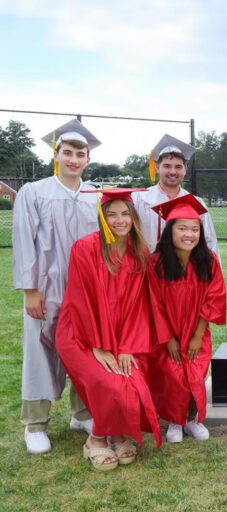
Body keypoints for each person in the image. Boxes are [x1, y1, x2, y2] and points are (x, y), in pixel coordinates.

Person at [56, 188, 162, 470]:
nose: (119, 220)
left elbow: (139, 305)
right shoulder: (85, 247)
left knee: (132, 375)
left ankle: (116, 433)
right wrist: (99, 346)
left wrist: (126, 346)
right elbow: (80, 301)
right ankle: (96, 439)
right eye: (112, 214)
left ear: (133, 217)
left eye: (125, 214)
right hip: (81, 334)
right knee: (108, 380)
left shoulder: (139, 251)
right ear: (102, 218)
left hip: (124, 335)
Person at [12, 119, 100, 454]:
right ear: (56, 154)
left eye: (80, 154)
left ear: (88, 159)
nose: (74, 159)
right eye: (68, 152)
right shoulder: (35, 193)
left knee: (85, 349)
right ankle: (35, 425)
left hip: (85, 289)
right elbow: (23, 242)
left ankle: (82, 413)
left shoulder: (95, 196)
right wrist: (29, 289)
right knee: (40, 349)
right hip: (46, 287)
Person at [146, 194, 226, 443]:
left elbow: (214, 298)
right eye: (182, 228)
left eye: (195, 229)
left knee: (195, 373)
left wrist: (198, 335)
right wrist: (168, 338)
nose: (189, 234)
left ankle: (192, 419)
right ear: (170, 231)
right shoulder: (156, 264)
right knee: (172, 375)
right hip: (167, 331)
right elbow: (154, 304)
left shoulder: (208, 261)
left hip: (196, 330)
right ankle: (174, 421)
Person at [133, 134, 218, 255]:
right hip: (147, 269)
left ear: (185, 169)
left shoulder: (196, 203)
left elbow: (209, 242)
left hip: (186, 271)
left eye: (178, 167)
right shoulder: (139, 199)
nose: (172, 172)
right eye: (167, 166)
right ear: (157, 168)